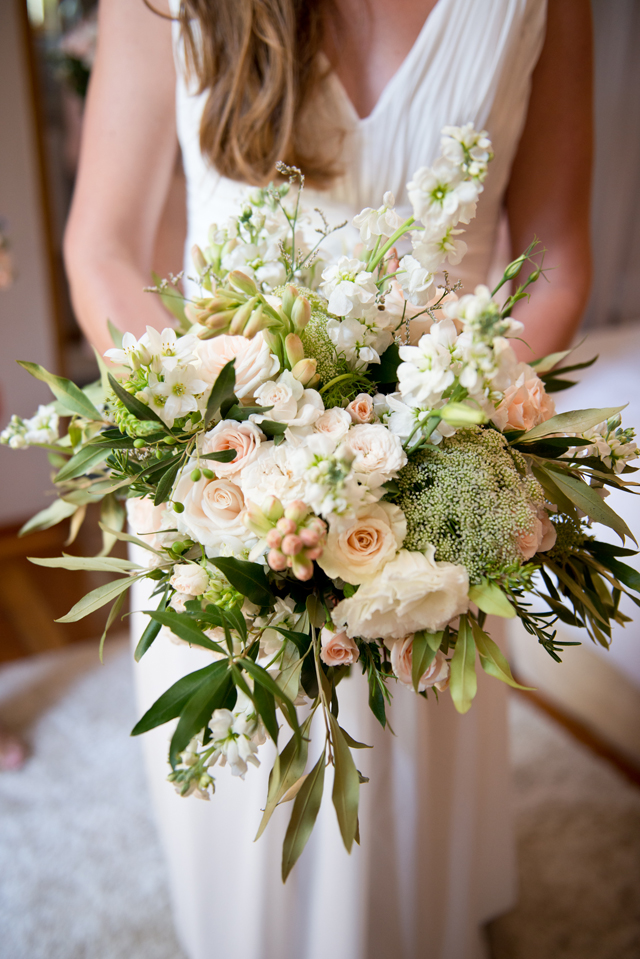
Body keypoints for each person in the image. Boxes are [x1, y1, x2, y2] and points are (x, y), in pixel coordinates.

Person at [63, 1, 593, 957]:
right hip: (224, 479)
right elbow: (98, 244)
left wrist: (436, 447)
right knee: (252, 816)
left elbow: (553, 255)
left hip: (437, 472)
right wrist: (199, 431)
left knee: (405, 794)